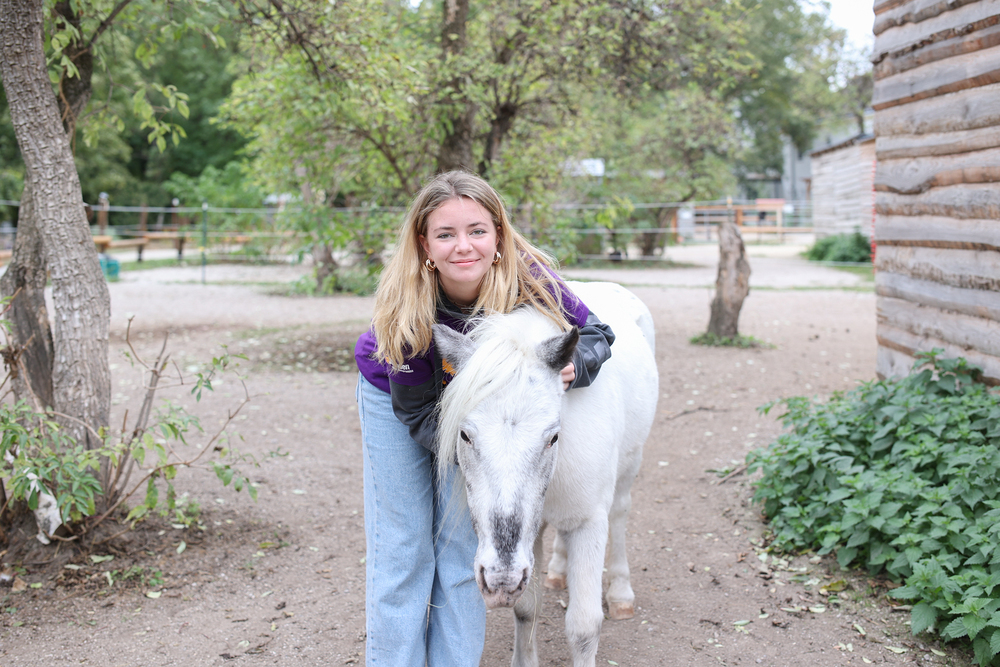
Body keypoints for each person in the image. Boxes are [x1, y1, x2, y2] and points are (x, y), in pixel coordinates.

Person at [353, 171, 615, 666]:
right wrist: (483, 453)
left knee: (460, 543)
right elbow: (416, 413)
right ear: (424, 244)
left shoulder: (528, 275)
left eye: (476, 230)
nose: (463, 246)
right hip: (399, 397)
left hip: (484, 411)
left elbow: (597, 334)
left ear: (498, 234)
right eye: (445, 234)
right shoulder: (408, 311)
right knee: (405, 544)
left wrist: (572, 367)